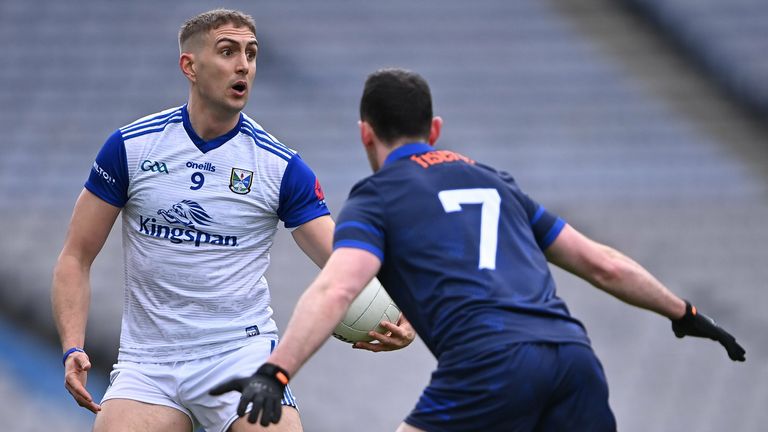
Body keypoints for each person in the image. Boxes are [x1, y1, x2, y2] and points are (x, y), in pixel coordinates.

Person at [210, 68, 747, 431]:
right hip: (572, 358)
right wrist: (683, 312)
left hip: (489, 363)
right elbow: (602, 264)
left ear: (365, 134)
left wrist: (276, 372)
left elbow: (336, 287)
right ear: (434, 129)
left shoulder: (377, 197)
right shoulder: (495, 182)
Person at [51, 10, 414, 432]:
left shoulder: (280, 166)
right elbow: (75, 257)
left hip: (238, 354)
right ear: (190, 66)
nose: (244, 65)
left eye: (251, 54)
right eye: (228, 52)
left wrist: (410, 312)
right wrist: (72, 346)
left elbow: (345, 259)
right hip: (148, 362)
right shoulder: (130, 147)